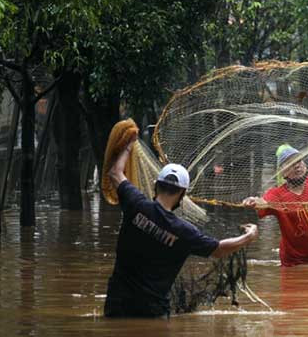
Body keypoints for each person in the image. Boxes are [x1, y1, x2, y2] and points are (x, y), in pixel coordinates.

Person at [104, 133, 258, 318]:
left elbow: (115, 172)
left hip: (116, 303)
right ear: (182, 194)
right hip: (153, 311)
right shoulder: (184, 232)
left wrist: (129, 145)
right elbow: (218, 249)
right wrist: (248, 237)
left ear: (157, 185)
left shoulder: (136, 203)